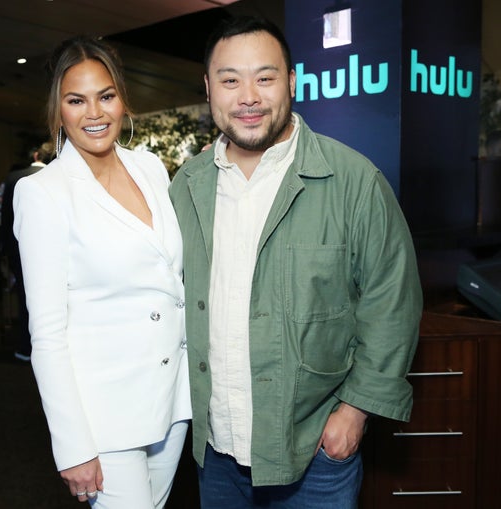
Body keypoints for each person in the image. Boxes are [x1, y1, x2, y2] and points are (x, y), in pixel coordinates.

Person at [169, 16, 423, 508]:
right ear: (208, 88)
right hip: (215, 455)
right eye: (230, 80)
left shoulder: (354, 182)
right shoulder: (187, 185)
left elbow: (392, 301)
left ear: (291, 81)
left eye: (264, 78)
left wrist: (354, 412)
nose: (248, 97)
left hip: (313, 456)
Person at [13, 35, 190, 508]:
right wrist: (73, 445)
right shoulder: (44, 193)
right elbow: (47, 333)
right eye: (77, 100)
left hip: (173, 401)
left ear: (122, 100)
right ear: (59, 110)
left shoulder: (151, 168)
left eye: (106, 96)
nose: (94, 113)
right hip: (104, 416)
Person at [1, 142, 51, 362]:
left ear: (36, 155)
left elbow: (7, 219)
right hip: (53, 249)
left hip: (21, 249)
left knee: (26, 298)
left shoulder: (15, 178)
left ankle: (26, 346)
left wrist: (6, 250)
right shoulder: (59, 176)